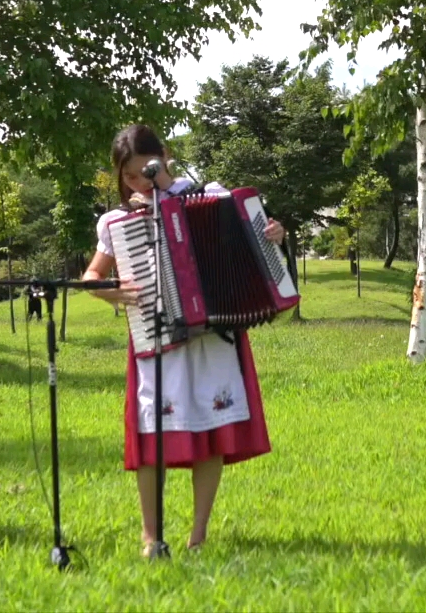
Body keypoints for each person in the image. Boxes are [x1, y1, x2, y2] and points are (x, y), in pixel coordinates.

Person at [79, 124, 285, 558]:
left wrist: (273, 237)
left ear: (165, 157)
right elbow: (91, 278)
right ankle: (150, 535)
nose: (137, 183)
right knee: (151, 431)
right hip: (155, 336)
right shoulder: (120, 221)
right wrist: (111, 292)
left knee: (211, 428)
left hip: (213, 333)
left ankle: (198, 535)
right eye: (128, 177)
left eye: (144, 172)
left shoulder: (211, 195)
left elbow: (253, 243)